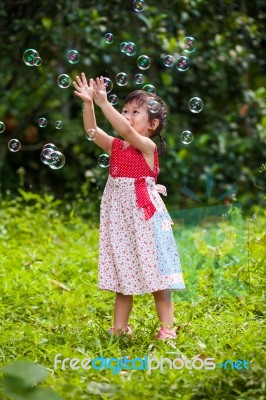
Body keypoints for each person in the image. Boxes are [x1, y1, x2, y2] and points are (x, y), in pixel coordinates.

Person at [73, 73, 186, 340]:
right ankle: (120, 328)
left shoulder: (147, 147)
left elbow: (125, 130)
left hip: (147, 220)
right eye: (125, 110)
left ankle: (167, 329)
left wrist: (104, 105)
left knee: (159, 278)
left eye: (135, 112)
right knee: (124, 277)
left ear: (152, 124)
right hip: (121, 223)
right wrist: (89, 103)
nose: (126, 115)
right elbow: (92, 132)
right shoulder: (116, 148)